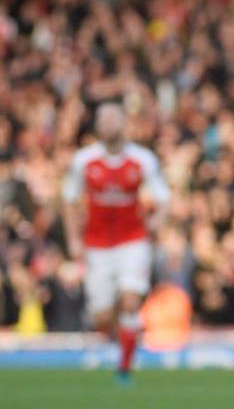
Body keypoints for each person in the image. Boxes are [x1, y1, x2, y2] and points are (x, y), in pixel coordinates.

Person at [62, 102, 171, 383]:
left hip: (132, 240)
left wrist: (157, 220)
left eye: (113, 119)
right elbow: (69, 200)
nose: (108, 124)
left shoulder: (142, 159)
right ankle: (128, 338)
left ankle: (124, 367)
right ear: (97, 125)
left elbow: (163, 196)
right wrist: (73, 238)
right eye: (103, 119)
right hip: (97, 245)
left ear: (124, 123)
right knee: (102, 315)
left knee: (130, 300)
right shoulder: (84, 160)